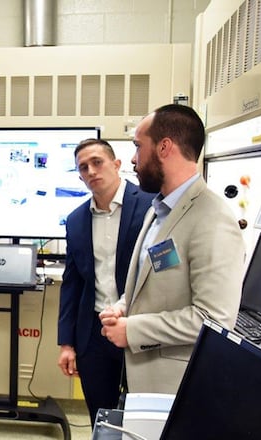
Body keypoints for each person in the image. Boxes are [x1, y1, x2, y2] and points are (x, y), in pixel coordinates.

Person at [99, 104, 245, 394]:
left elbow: (214, 319)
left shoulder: (212, 219)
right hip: (142, 377)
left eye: (138, 146)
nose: (133, 158)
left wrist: (133, 330)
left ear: (164, 147)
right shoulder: (158, 210)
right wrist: (123, 307)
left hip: (177, 387)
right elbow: (154, 283)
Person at [57, 139, 153, 425]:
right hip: (94, 335)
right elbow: (72, 284)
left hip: (140, 328)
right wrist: (66, 344)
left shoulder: (151, 205)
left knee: (142, 420)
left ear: (116, 164)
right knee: (101, 418)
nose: (91, 171)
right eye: (83, 167)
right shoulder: (76, 220)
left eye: (97, 162)